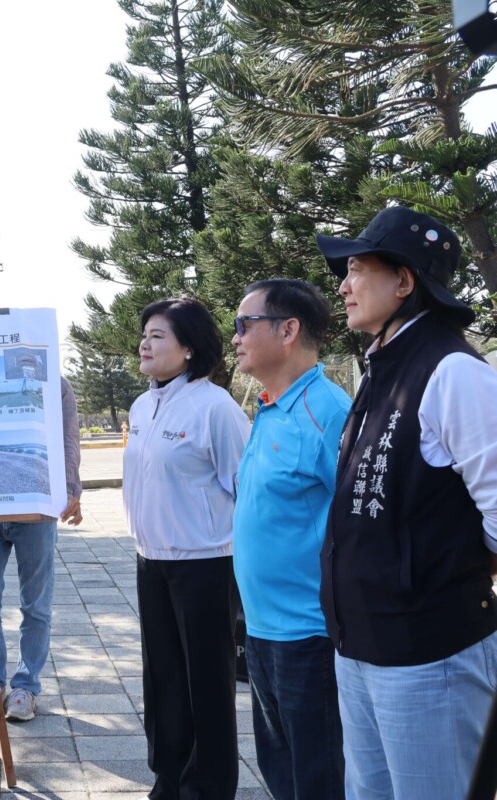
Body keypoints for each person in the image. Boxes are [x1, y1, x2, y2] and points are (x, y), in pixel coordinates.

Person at [316, 206, 497, 799]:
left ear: (403, 280)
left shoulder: (453, 371)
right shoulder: (380, 367)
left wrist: (450, 573)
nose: (343, 286)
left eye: (357, 269)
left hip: (430, 655)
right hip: (360, 648)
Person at [123, 297, 250, 800]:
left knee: (207, 684)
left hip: (206, 565)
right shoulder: (142, 405)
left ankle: (208, 788)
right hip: (152, 560)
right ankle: (169, 779)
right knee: (163, 678)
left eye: (157, 336)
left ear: (190, 348)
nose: (145, 344)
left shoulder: (215, 408)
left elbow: (246, 490)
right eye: (144, 335)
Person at [231, 279, 350, 800]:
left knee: (318, 775)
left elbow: (358, 523)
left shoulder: (328, 411)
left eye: (244, 324)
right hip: (263, 629)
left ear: (288, 330)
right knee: (280, 770)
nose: (235, 337)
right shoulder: (270, 406)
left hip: (309, 633)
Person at [0, 377, 83, 722]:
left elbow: (68, 437)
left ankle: (26, 687)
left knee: (36, 605)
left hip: (37, 509)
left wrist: (71, 488)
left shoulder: (55, 383)